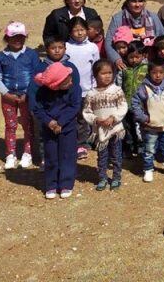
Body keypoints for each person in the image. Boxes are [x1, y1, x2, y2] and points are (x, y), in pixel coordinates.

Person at [28, 61, 82, 199]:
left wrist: (61, 122)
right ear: (55, 86)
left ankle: (66, 184)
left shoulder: (74, 88)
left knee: (67, 156)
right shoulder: (42, 92)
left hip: (68, 128)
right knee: (51, 156)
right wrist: (50, 122)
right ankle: (51, 185)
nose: (70, 82)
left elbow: (74, 106)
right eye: (66, 82)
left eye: (70, 78)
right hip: (49, 129)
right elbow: (37, 109)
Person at [0, 21, 40, 170]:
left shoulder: (31, 54)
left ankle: (27, 153)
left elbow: (37, 76)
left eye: (21, 37)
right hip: (8, 98)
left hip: (27, 97)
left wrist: (28, 93)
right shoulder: (1, 57)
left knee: (28, 125)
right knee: (10, 125)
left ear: (25, 37)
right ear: (7, 38)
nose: (17, 40)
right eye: (13, 37)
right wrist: (6, 94)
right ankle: (10, 154)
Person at [28, 34, 80, 168]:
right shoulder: (40, 68)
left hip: (65, 111)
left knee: (67, 136)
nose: (57, 50)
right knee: (44, 136)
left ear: (65, 48)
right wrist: (34, 108)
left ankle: (65, 161)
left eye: (60, 47)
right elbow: (33, 90)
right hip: (47, 111)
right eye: (53, 48)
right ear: (46, 49)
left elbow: (75, 89)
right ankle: (46, 160)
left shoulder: (71, 67)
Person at [131, 58, 164, 181]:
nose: (158, 75)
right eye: (154, 72)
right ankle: (148, 169)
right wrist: (143, 118)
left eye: (161, 72)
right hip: (151, 126)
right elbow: (135, 103)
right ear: (149, 72)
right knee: (149, 149)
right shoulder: (144, 87)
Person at [82, 60, 127, 191]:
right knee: (102, 156)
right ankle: (102, 178)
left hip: (116, 130)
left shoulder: (117, 90)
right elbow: (87, 112)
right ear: (95, 75)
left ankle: (116, 177)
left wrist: (114, 117)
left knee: (116, 155)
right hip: (101, 131)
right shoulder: (91, 94)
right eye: (103, 73)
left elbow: (123, 106)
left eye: (110, 73)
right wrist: (97, 120)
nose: (107, 76)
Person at [105, 0, 164, 71]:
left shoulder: (152, 17)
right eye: (134, 1)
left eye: (140, 1)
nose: (137, 5)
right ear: (127, 2)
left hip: (149, 65)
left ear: (144, 3)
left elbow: (163, 37)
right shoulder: (118, 18)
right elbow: (108, 42)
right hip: (125, 66)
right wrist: (116, 59)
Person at [66, 16, 100, 160]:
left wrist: (96, 87)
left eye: (82, 30)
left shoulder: (92, 47)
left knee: (83, 118)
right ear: (70, 32)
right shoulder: (66, 47)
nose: (79, 33)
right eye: (75, 30)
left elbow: (96, 67)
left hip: (87, 90)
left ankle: (81, 144)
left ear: (87, 30)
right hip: (69, 90)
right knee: (70, 117)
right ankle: (69, 143)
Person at [115, 40, 147, 156]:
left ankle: (141, 147)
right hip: (126, 104)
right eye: (131, 57)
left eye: (137, 57)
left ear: (143, 56)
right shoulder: (124, 69)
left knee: (140, 127)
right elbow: (119, 84)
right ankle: (129, 147)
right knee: (128, 126)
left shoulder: (146, 68)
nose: (134, 60)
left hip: (141, 105)